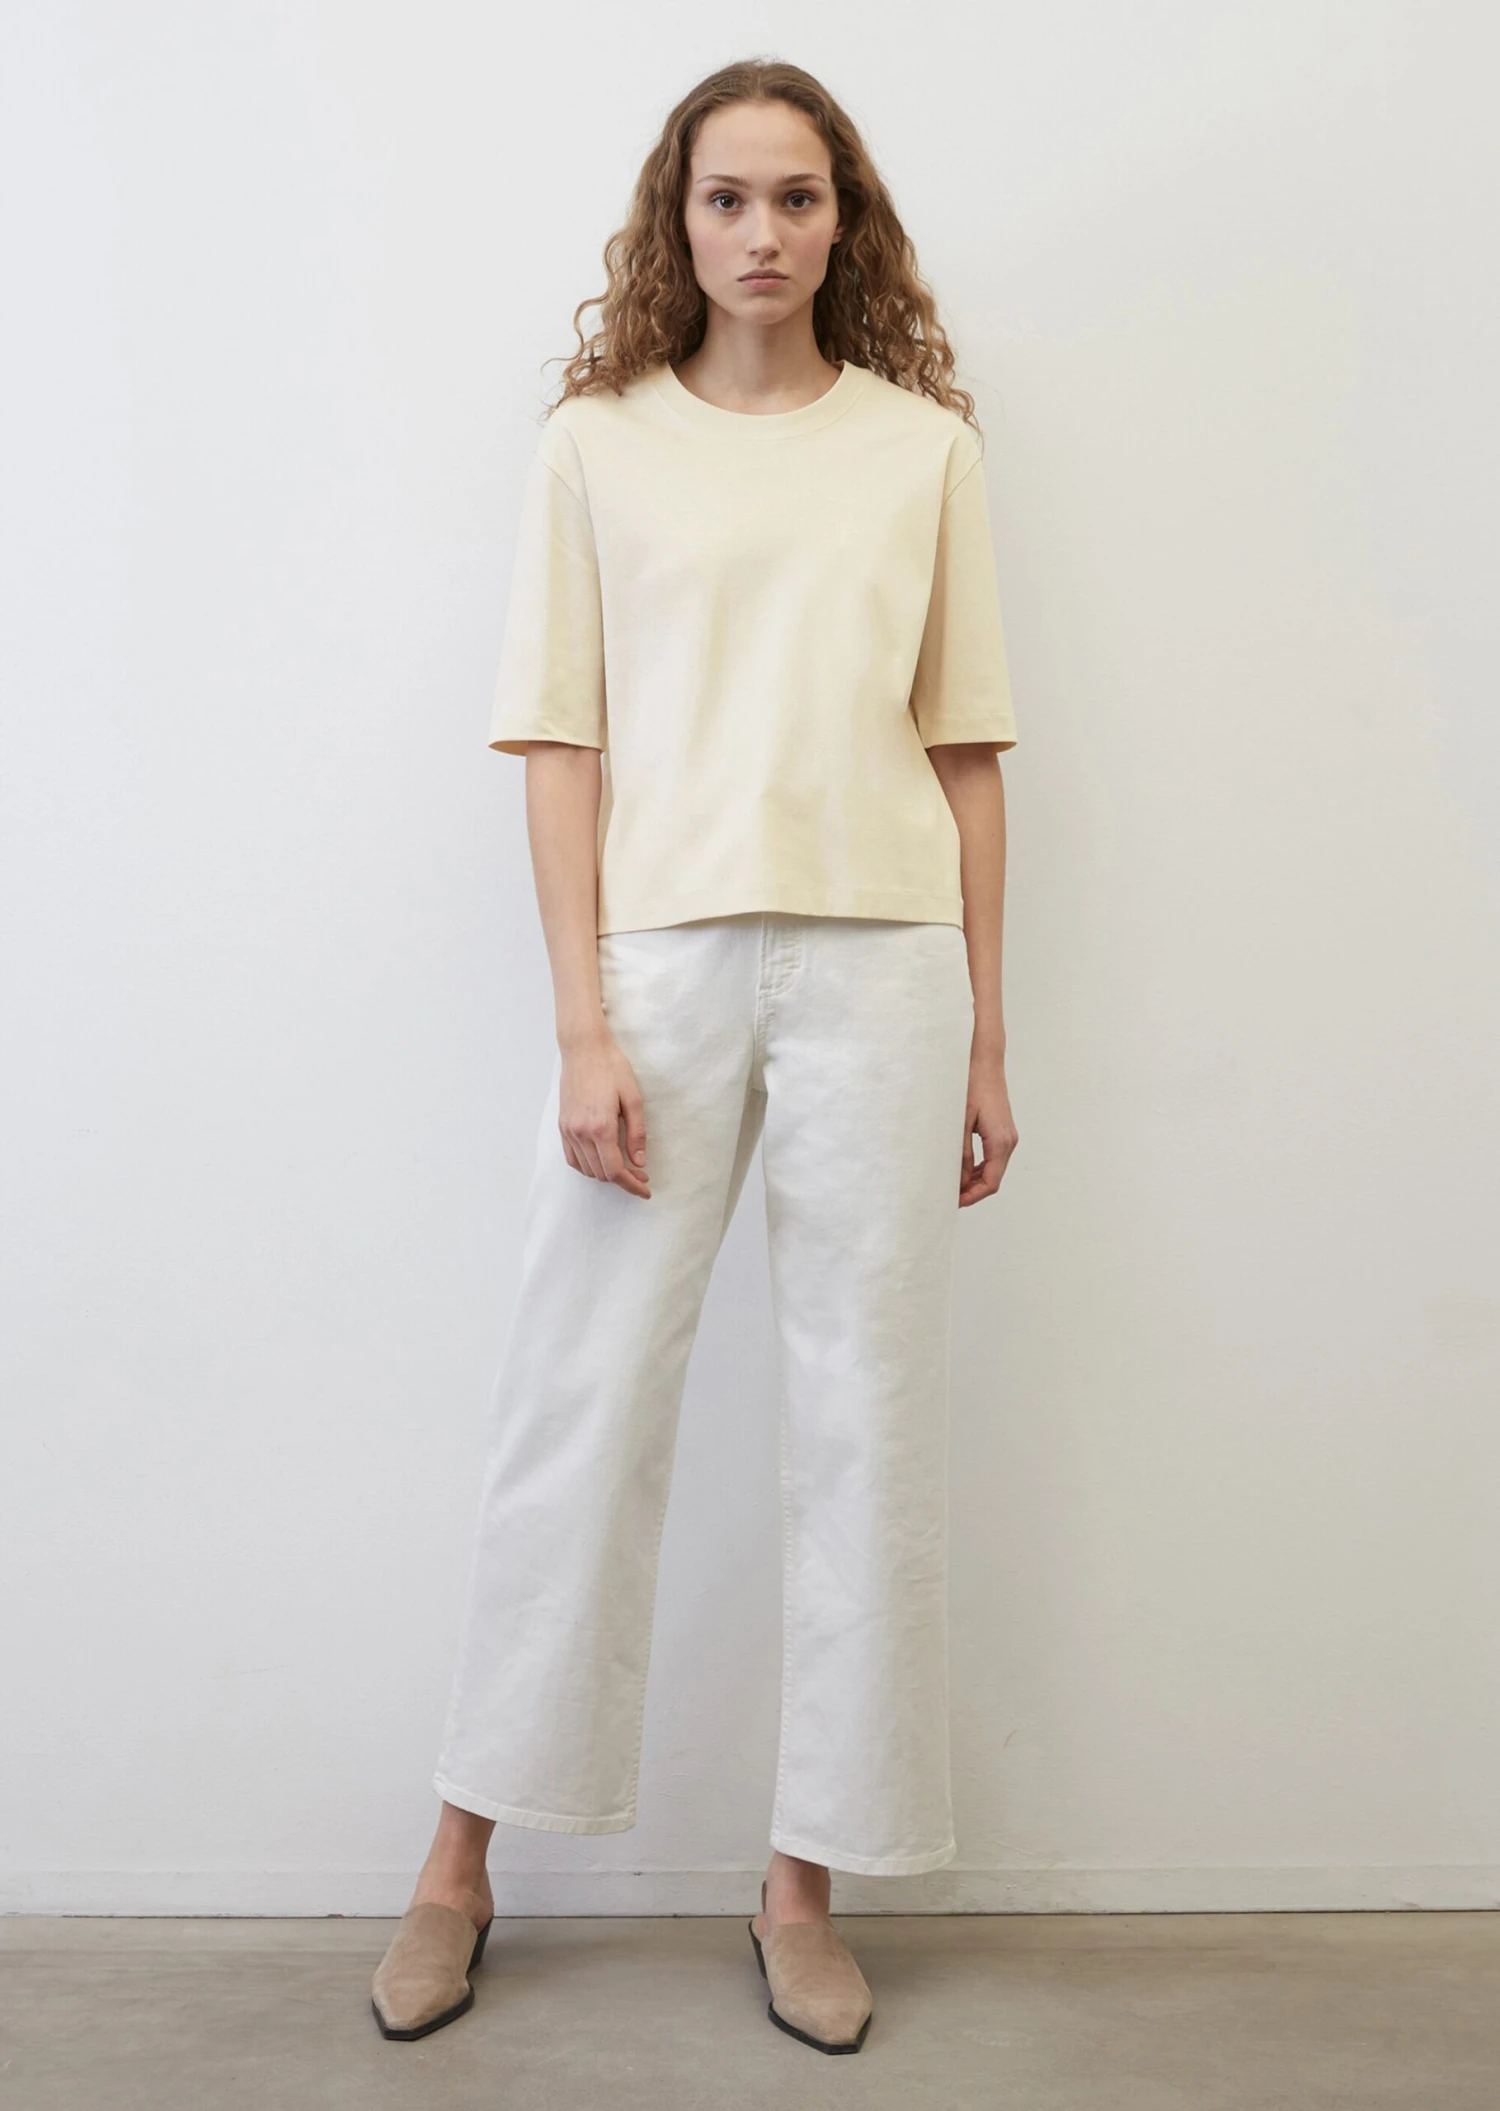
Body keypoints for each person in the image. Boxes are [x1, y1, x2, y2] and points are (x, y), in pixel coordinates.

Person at [371, 56, 1019, 2056]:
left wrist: (991, 1034)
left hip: (885, 967)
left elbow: (967, 754)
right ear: (679, 218)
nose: (762, 232)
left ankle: (801, 1884)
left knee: (868, 1418)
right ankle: (458, 1860)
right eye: (727, 198)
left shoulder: (921, 451)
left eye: (797, 198)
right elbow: (559, 748)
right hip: (657, 967)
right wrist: (581, 1020)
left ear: (845, 221)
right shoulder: (598, 445)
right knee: (577, 1399)